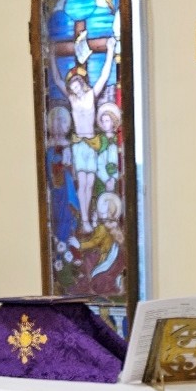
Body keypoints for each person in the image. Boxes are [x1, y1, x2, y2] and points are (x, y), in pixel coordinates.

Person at [48, 20, 118, 235]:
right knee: (82, 184)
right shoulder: (72, 99)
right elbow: (58, 80)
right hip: (79, 143)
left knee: (90, 181)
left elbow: (105, 76)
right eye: (73, 85)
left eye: (77, 83)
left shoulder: (90, 96)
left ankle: (90, 219)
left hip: (91, 143)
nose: (75, 87)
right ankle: (85, 220)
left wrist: (110, 51)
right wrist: (51, 56)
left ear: (82, 82)